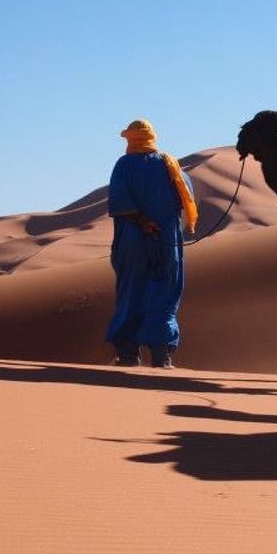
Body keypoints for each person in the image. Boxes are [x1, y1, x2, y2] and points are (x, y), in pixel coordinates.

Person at [106, 119, 198, 368]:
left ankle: (128, 354)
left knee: (131, 293)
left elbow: (118, 199)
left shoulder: (124, 166)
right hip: (166, 241)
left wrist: (141, 220)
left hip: (133, 241)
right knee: (164, 293)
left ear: (131, 139)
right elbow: (187, 196)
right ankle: (161, 356)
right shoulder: (170, 165)